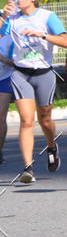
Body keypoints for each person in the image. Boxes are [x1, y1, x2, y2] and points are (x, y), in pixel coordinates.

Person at [0, 0, 67, 183]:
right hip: (20, 74)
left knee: (45, 120)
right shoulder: (11, 19)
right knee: (26, 120)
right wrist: (3, 16)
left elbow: (66, 42)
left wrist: (42, 35)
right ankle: (28, 168)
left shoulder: (47, 17)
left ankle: (51, 146)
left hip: (43, 74)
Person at [0, 34, 15, 166]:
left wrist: (3, 59)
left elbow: (17, 62)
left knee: (1, 115)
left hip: (4, 78)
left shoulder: (9, 39)